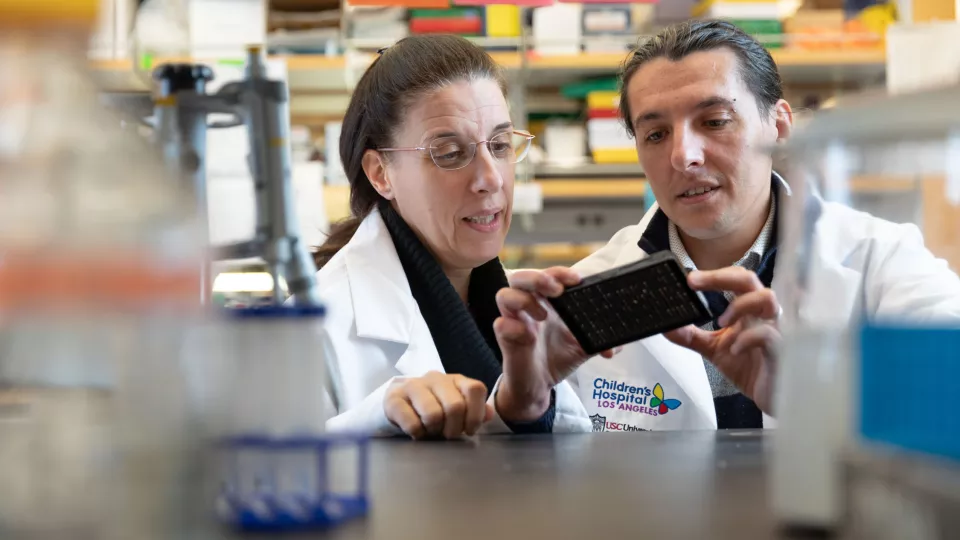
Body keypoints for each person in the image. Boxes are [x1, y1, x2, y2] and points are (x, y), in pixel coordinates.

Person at [494, 19, 960, 432]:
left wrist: (811, 405)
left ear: (778, 127)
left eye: (715, 121)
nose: (683, 155)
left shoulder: (884, 260)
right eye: (656, 134)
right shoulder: (585, 294)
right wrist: (525, 405)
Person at [312, 35, 598, 439]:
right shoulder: (316, 326)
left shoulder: (519, 308)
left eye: (499, 145)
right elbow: (271, 480)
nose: (490, 178)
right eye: (449, 153)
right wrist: (377, 422)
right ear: (381, 174)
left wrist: (528, 408)